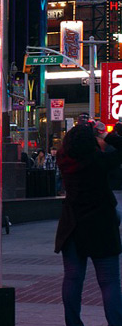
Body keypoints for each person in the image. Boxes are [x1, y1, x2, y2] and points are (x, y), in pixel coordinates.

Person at [55, 122, 122, 326]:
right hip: (101, 227)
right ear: (91, 142)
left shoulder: (63, 159)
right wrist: (106, 134)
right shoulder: (99, 161)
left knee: (73, 279)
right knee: (109, 283)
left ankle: (73, 322)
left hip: (72, 226)